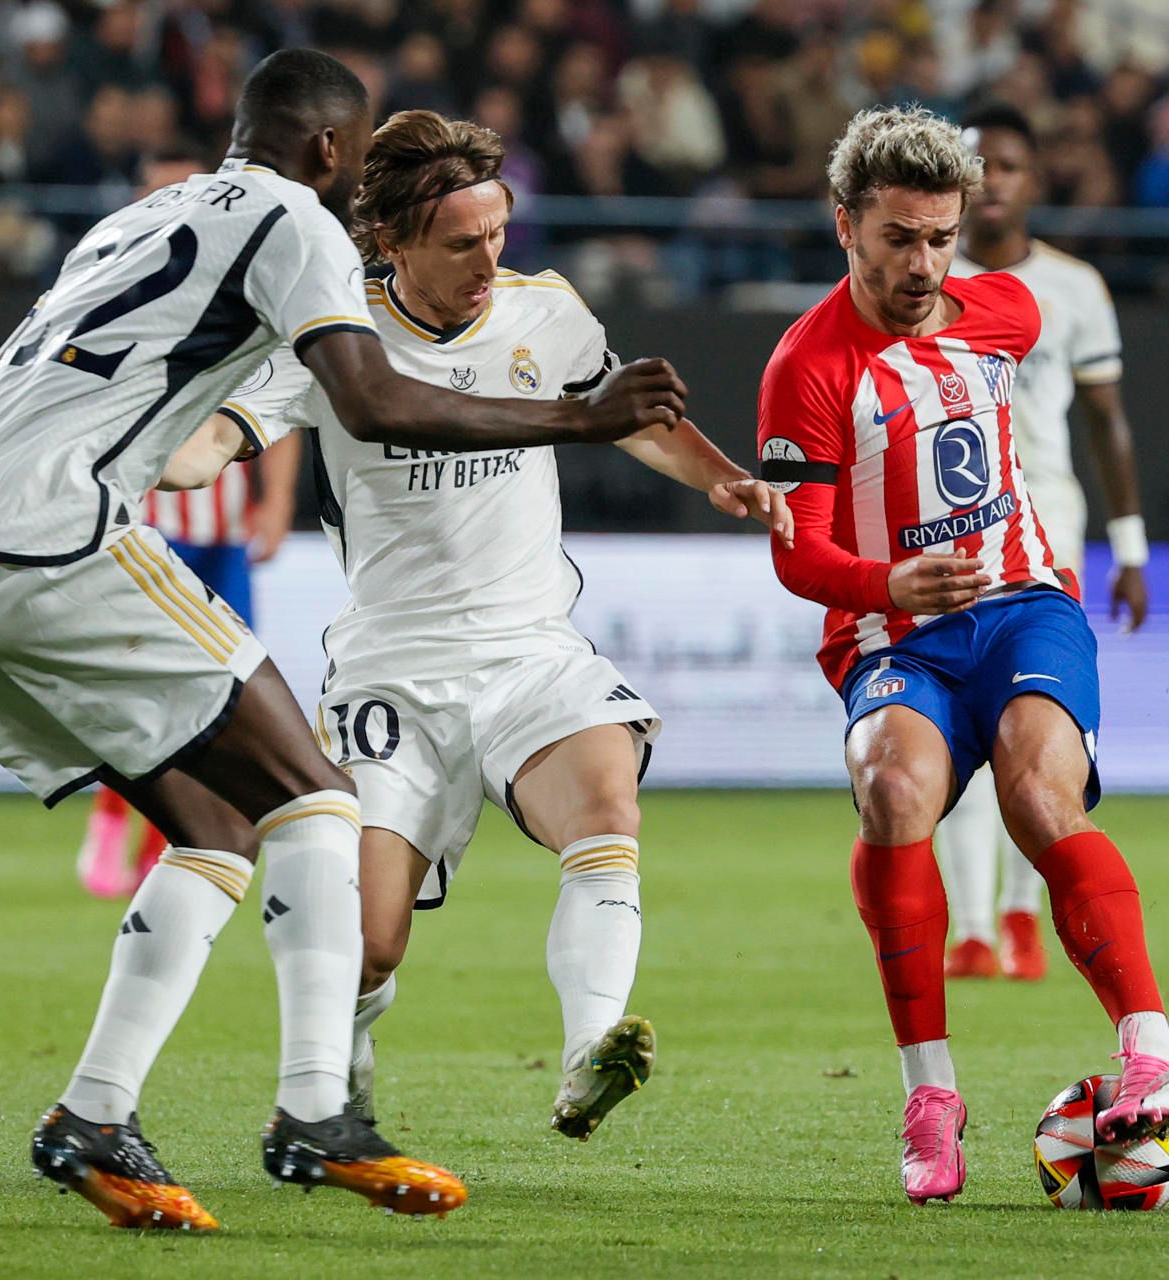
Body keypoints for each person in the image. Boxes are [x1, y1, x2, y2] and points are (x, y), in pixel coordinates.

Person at [0, 48, 687, 1232]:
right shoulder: (303, 225)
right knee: (316, 801)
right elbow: (370, 400)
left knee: (214, 824)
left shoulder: (131, 220)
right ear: (330, 151)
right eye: (358, 155)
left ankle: (94, 1113)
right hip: (63, 545)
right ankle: (318, 1108)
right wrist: (578, 416)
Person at [228, 108, 791, 1142]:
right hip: (393, 670)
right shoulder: (330, 337)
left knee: (605, 804)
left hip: (531, 649)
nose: (489, 260)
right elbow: (222, 431)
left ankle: (590, 1051)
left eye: (499, 233)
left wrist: (726, 479)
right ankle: (341, 1060)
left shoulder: (547, 313)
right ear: (389, 241)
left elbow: (630, 413)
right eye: (461, 243)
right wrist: (136, 460)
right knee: (371, 942)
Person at [755, 106, 1169, 1206]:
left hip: (1023, 603)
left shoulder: (1009, 307)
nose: (922, 264)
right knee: (894, 788)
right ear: (845, 226)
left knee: (1041, 794)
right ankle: (931, 1095)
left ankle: (1151, 1045)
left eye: (941, 237)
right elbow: (797, 554)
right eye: (898, 237)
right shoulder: (806, 367)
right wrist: (887, 583)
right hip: (894, 629)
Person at [934, 104, 1150, 986]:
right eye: (978, 168)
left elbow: (1108, 423)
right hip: (947, 528)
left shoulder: (1075, 287)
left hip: (1047, 521)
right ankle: (974, 928)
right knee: (954, 725)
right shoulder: (924, 280)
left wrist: (1130, 545)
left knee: (1039, 730)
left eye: (1010, 167)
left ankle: (1023, 918)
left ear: (1033, 180)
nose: (995, 184)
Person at [75, 148, 306, 902]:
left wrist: (273, 502)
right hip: (144, 525)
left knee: (225, 687)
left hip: (222, 526)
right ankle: (118, 814)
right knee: (141, 681)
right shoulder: (119, 285)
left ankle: (167, 837)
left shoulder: (246, 283)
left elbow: (282, 400)